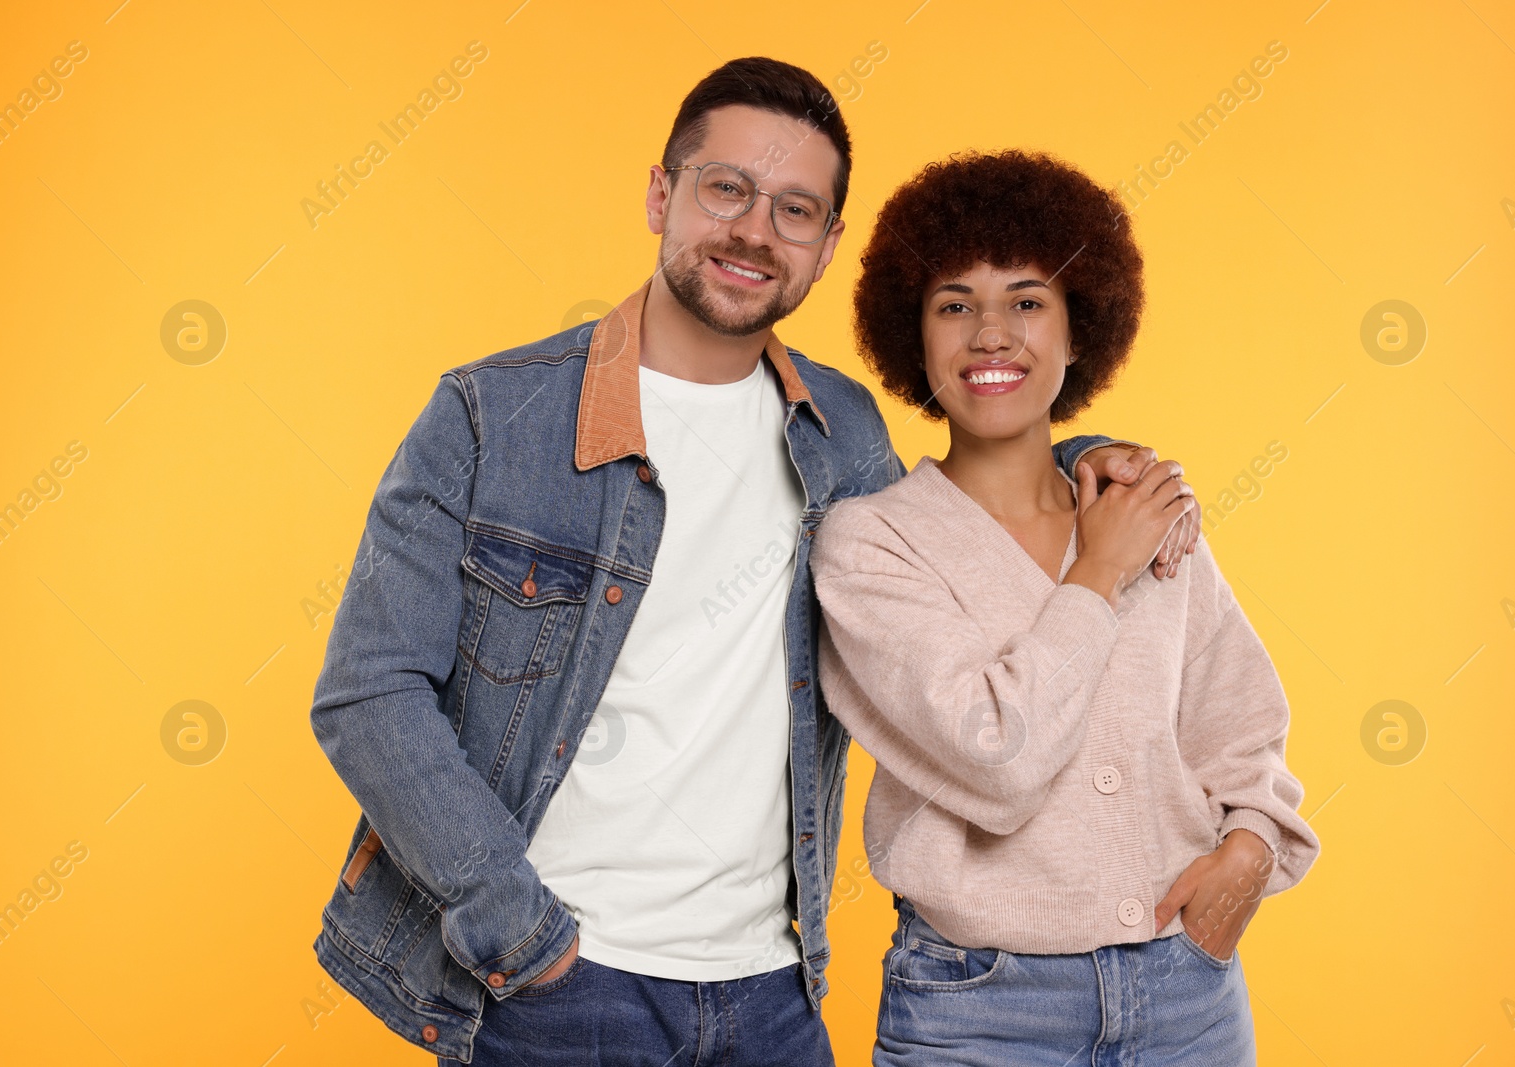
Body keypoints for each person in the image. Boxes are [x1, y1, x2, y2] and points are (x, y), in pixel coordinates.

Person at [309, 61, 1199, 1065]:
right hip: (563, 988)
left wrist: (1087, 464)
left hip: (771, 993)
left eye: (794, 209)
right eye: (724, 189)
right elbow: (367, 690)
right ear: (661, 195)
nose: (752, 230)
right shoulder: (490, 414)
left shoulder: (842, 431)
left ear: (825, 248)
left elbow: (960, 512)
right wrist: (523, 935)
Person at [810, 149, 1321, 1066]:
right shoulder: (870, 544)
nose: (991, 332)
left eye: (1028, 300)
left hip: (1188, 998)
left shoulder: (1147, 509)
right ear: (914, 337)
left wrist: (1250, 848)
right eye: (954, 303)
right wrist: (1097, 574)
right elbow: (995, 755)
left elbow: (1239, 725)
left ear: (1080, 330)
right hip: (978, 1010)